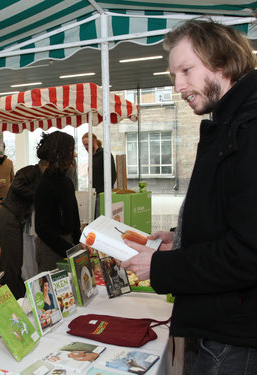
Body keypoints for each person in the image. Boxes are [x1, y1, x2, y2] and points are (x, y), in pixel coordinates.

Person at [121, 20, 257, 375]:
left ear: (223, 62)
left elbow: (249, 252)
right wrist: (180, 234)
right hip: (220, 321)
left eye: (186, 70)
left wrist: (161, 266)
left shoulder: (248, 128)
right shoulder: (229, 122)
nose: (178, 86)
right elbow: (230, 212)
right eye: (173, 74)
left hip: (233, 334)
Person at [0, 159, 48, 299]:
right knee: (10, 264)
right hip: (8, 217)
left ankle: (14, 296)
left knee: (14, 263)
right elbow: (17, 186)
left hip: (13, 219)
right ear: (46, 164)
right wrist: (40, 195)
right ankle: (10, 299)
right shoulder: (30, 171)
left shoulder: (36, 175)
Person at [34, 131, 81, 272]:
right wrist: (69, 250)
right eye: (71, 150)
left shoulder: (66, 181)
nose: (74, 154)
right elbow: (42, 228)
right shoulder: (46, 184)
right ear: (60, 153)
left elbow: (73, 216)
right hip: (51, 249)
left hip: (66, 246)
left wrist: (78, 242)